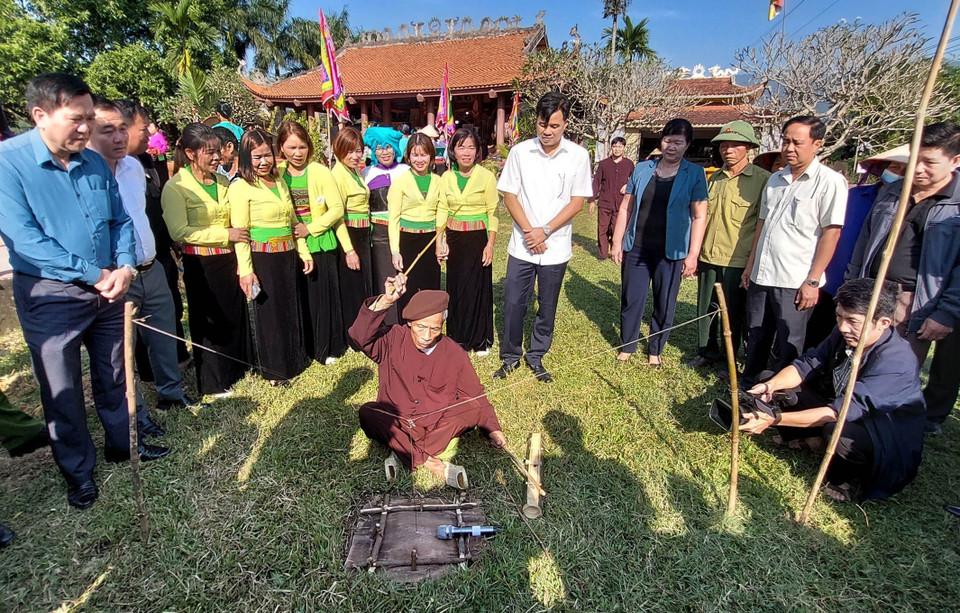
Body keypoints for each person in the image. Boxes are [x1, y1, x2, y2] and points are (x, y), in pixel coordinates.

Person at [0, 73, 169, 509]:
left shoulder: (93, 162)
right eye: (77, 119)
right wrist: (96, 273)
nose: (85, 128)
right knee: (63, 389)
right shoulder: (8, 163)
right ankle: (78, 472)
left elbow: (120, 221)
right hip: (50, 296)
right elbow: (27, 241)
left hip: (109, 290)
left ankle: (122, 445)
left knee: (115, 376)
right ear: (40, 115)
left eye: (89, 118)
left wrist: (126, 265)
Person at [741, 279, 927, 502]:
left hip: (878, 432)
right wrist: (770, 386)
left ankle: (845, 478)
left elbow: (841, 412)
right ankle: (814, 441)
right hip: (836, 404)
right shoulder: (843, 334)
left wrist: (773, 419)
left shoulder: (897, 362)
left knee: (838, 432)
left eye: (853, 321)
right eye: (839, 316)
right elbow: (807, 364)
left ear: (883, 322)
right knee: (773, 383)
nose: (842, 327)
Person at [86, 97, 192, 439]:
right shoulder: (83, 174)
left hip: (151, 266)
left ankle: (171, 395)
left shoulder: (134, 168)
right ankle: (136, 417)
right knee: (119, 356)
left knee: (163, 336)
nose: (120, 137)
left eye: (122, 129)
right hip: (115, 277)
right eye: (110, 130)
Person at [846, 122, 960, 435]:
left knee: (897, 370)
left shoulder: (957, 205)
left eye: (929, 162)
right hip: (873, 290)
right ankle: (848, 421)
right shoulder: (893, 191)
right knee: (859, 358)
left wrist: (946, 311)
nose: (918, 169)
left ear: (955, 160)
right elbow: (865, 240)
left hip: (916, 301)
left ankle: (885, 434)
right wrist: (852, 285)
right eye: (915, 159)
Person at [349, 274, 507, 489]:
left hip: (436, 426)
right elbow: (359, 336)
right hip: (398, 422)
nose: (426, 335)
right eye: (420, 327)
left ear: (442, 325)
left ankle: (403, 452)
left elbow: (475, 393)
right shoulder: (392, 338)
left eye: (435, 329)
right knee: (368, 413)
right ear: (410, 323)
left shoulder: (454, 352)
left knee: (471, 408)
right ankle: (430, 462)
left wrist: (492, 428)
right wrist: (386, 301)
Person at [494, 92, 592, 383]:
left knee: (547, 305)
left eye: (554, 126)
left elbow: (577, 202)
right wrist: (529, 231)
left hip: (555, 247)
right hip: (521, 246)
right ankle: (511, 355)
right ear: (535, 122)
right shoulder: (520, 152)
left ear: (565, 125)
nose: (547, 131)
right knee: (513, 302)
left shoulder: (578, 156)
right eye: (541, 124)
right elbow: (509, 195)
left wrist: (545, 230)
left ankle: (536, 354)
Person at [741, 116, 848, 381]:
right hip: (761, 275)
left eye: (796, 142)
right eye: (785, 141)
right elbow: (762, 227)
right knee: (755, 335)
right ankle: (748, 385)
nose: (789, 148)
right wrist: (750, 265)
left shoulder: (830, 182)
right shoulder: (775, 179)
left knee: (789, 342)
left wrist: (812, 280)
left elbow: (831, 234)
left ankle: (779, 394)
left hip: (795, 280)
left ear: (817, 144)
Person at [162, 122, 253, 397]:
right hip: (201, 264)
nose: (217, 157)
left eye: (217, 152)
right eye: (209, 152)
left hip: (228, 260)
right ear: (190, 153)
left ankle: (238, 368)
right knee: (209, 323)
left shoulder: (223, 181)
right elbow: (179, 231)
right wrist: (225, 234)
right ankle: (214, 381)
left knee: (233, 315)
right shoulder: (176, 187)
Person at [611, 118, 708, 366]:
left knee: (665, 302)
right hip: (638, 248)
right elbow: (626, 208)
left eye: (678, 142)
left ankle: (656, 348)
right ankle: (628, 344)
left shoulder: (695, 174)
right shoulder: (643, 169)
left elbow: (699, 216)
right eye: (667, 140)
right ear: (660, 141)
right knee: (631, 298)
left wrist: (693, 254)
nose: (671, 147)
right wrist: (617, 241)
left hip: (671, 252)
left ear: (687, 145)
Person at [229, 129, 312, 384]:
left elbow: (293, 220)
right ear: (245, 157)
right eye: (257, 157)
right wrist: (246, 270)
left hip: (287, 255)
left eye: (267, 155)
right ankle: (275, 370)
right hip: (262, 258)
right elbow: (241, 233)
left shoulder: (279, 181)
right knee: (270, 315)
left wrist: (303, 251)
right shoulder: (241, 187)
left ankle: (294, 359)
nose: (264, 161)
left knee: (290, 309)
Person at [805, 144, 909, 348]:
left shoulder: (907, 207)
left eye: (906, 171)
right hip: (832, 279)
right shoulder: (854, 196)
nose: (899, 174)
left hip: (867, 287)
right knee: (817, 339)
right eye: (895, 167)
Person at [689, 121, 770, 368]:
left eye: (734, 145)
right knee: (706, 310)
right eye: (723, 145)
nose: (727, 150)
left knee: (733, 314)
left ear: (748, 148)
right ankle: (706, 352)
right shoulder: (714, 178)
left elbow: (762, 226)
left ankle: (729, 360)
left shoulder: (763, 180)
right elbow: (702, 216)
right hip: (708, 255)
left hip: (738, 259)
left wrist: (751, 264)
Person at [277, 121, 348, 365]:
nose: (298, 153)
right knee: (299, 297)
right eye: (292, 148)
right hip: (291, 241)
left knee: (322, 296)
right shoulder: (277, 174)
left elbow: (337, 208)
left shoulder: (320, 171)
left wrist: (310, 228)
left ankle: (327, 345)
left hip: (319, 239)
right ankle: (304, 346)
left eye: (303, 147)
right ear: (281, 148)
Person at [439, 127, 499, 353]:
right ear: (453, 150)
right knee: (456, 288)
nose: (466, 152)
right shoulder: (446, 177)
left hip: (478, 239)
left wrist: (490, 244)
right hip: (454, 239)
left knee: (478, 288)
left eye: (471, 147)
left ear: (477, 151)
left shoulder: (486, 177)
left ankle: (480, 339)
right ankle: (457, 338)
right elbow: (442, 209)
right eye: (460, 147)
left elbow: (493, 211)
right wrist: (440, 240)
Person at [388, 132, 446, 315]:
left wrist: (440, 242)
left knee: (430, 286)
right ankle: (407, 328)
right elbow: (394, 218)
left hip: (430, 238)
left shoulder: (439, 181)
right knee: (408, 286)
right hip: (407, 240)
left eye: (423, 154)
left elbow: (442, 212)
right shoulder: (400, 182)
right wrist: (395, 250)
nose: (419, 159)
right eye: (415, 154)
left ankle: (429, 326)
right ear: (408, 156)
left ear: (431, 156)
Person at [362, 126, 409, 325]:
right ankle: (389, 324)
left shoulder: (406, 171)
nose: (385, 151)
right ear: (373, 150)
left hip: (404, 231)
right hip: (380, 234)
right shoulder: (367, 172)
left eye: (389, 146)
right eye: (380, 147)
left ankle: (409, 319)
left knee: (406, 275)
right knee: (385, 276)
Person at [331, 126, 373, 332]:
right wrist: (349, 250)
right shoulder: (338, 175)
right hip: (350, 234)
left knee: (362, 284)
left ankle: (363, 328)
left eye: (359, 150)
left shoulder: (354, 171)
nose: (355, 156)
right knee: (352, 286)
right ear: (338, 150)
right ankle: (354, 331)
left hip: (363, 234)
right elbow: (337, 216)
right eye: (349, 151)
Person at [589, 136, 635, 261]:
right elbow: (596, 182)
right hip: (605, 202)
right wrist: (592, 200)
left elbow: (635, 180)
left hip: (620, 204)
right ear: (611, 148)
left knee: (616, 228)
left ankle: (616, 249)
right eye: (615, 146)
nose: (617, 149)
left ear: (624, 148)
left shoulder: (629, 164)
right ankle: (602, 254)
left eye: (620, 146)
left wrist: (627, 186)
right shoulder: (604, 164)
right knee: (602, 228)